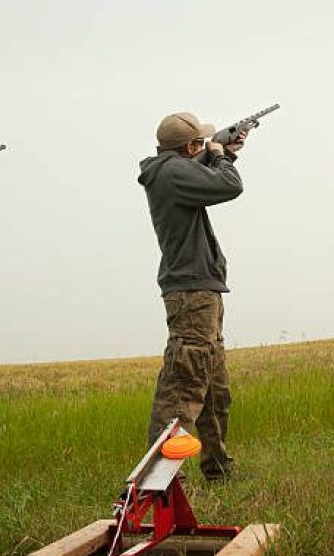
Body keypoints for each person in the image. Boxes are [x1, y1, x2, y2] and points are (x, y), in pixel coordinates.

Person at [137, 112, 247, 482]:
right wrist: (220, 155)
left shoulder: (175, 171)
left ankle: (219, 471)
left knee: (215, 392)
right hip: (192, 293)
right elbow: (230, 186)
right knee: (183, 388)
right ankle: (161, 482)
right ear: (190, 147)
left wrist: (222, 153)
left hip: (202, 290)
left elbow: (214, 178)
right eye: (199, 143)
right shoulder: (171, 173)